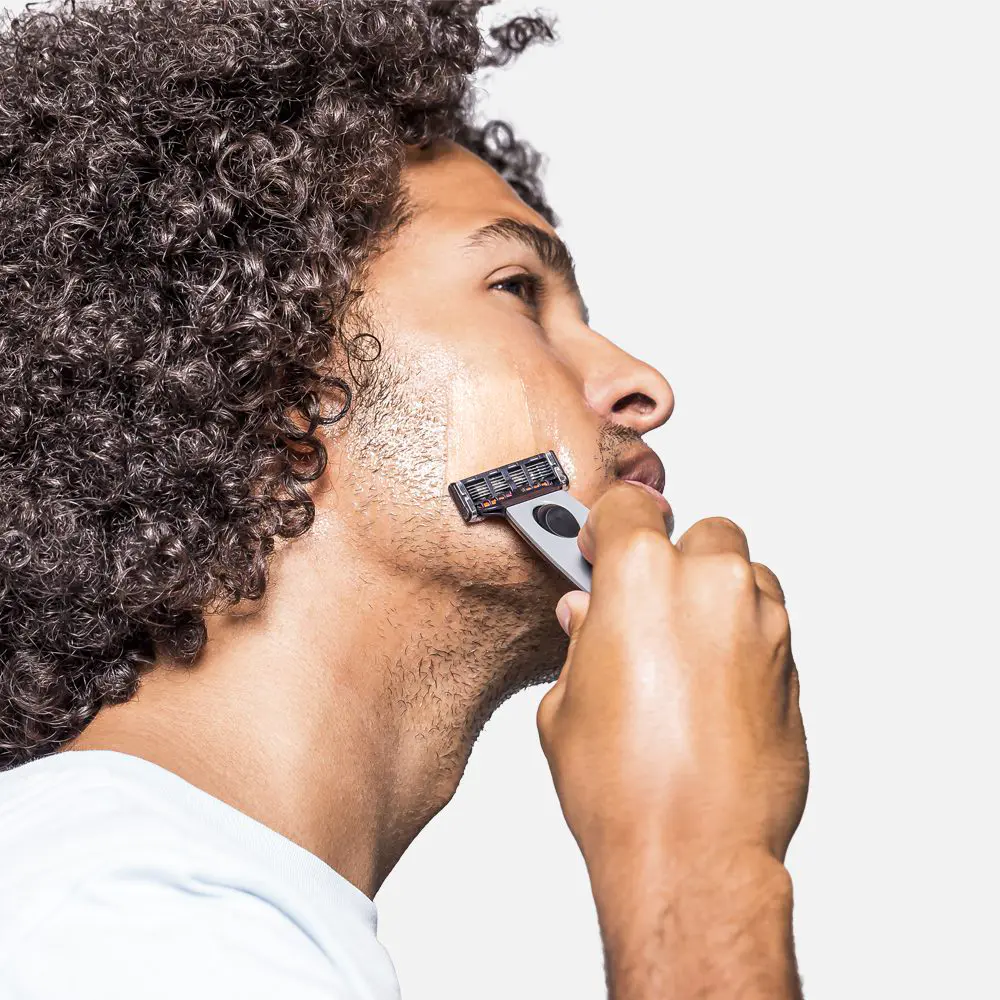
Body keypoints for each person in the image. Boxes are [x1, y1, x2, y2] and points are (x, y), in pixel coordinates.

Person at [0, 2, 808, 998]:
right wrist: (694, 853)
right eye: (517, 290)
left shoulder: (191, 919)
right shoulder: (115, 918)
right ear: (274, 378)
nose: (644, 383)